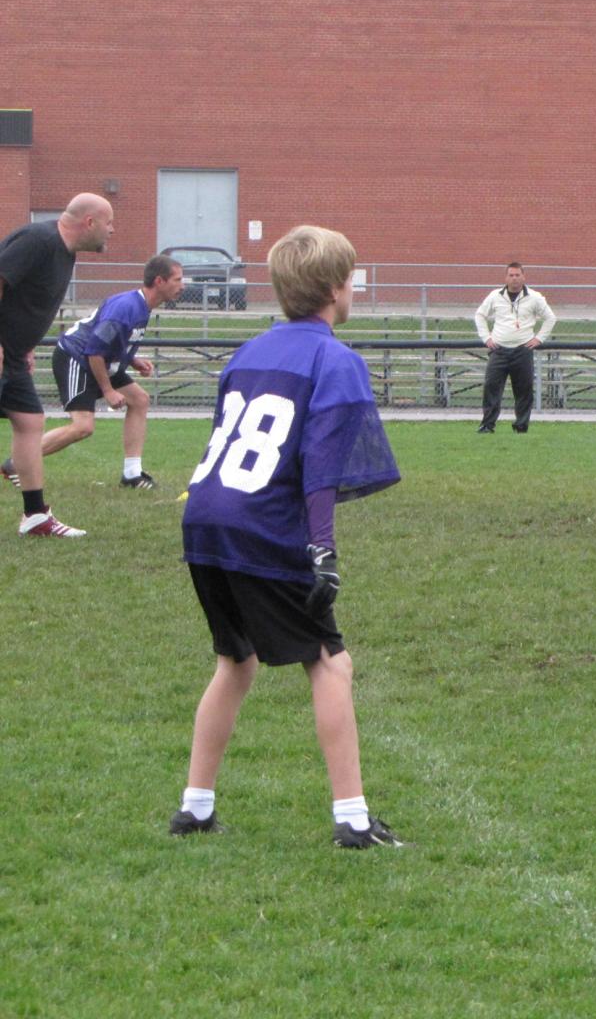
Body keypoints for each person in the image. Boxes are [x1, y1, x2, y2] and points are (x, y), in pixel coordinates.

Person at [171, 225, 403, 848]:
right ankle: (353, 819)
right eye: (349, 278)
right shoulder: (335, 360)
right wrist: (322, 547)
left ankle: (195, 807)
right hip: (263, 523)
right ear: (333, 288)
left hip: (205, 518)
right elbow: (322, 467)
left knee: (236, 660)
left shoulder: (248, 351)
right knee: (329, 661)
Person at [2, 253, 185, 491]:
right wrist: (108, 391)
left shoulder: (142, 306)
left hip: (99, 360)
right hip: (77, 358)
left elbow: (113, 342)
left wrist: (132, 360)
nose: (182, 286)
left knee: (139, 400)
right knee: (83, 427)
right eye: (178, 280)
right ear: (159, 281)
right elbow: (94, 350)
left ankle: (132, 474)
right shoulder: (126, 307)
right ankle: (16, 463)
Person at [0, 193, 116, 538]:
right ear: (89, 222)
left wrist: (25, 345)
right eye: (109, 223)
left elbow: (23, 301)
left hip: (14, 356)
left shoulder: (65, 253)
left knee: (30, 421)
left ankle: (36, 516)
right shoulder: (39, 240)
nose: (112, 230)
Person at [473, 262, 556, 434]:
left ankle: (521, 426)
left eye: (517, 275)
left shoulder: (534, 297)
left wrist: (539, 338)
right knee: (491, 387)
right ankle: (487, 425)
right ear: (506, 277)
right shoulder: (495, 296)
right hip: (499, 350)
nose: (514, 279)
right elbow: (480, 315)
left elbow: (550, 318)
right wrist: (486, 338)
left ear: (523, 277)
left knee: (524, 390)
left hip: (522, 350)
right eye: (511, 275)